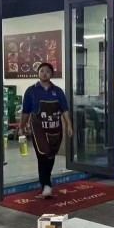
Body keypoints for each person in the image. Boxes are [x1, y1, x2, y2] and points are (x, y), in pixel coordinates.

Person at [19, 62, 73, 198]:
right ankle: (46, 185)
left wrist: (69, 125)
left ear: (51, 74)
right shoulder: (31, 91)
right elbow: (26, 111)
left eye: (47, 71)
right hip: (39, 129)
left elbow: (64, 109)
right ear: (38, 73)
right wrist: (22, 126)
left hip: (55, 129)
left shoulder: (58, 91)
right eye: (42, 71)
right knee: (42, 155)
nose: (44, 73)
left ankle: (46, 182)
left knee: (51, 155)